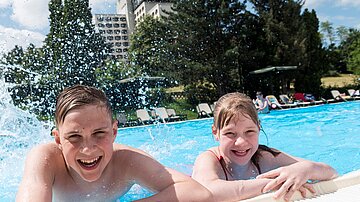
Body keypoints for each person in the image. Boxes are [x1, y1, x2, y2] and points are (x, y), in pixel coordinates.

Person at [16, 85, 213, 202]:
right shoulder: (45, 160)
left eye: (99, 133)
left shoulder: (127, 161)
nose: (88, 149)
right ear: (58, 139)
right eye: (74, 137)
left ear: (114, 132)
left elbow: (199, 193)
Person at [192, 92, 338, 201]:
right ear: (215, 132)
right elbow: (207, 193)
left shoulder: (264, 157)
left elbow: (331, 172)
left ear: (259, 128)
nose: (241, 142)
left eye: (249, 131)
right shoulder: (209, 159)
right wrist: (273, 183)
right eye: (230, 133)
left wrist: (306, 169)